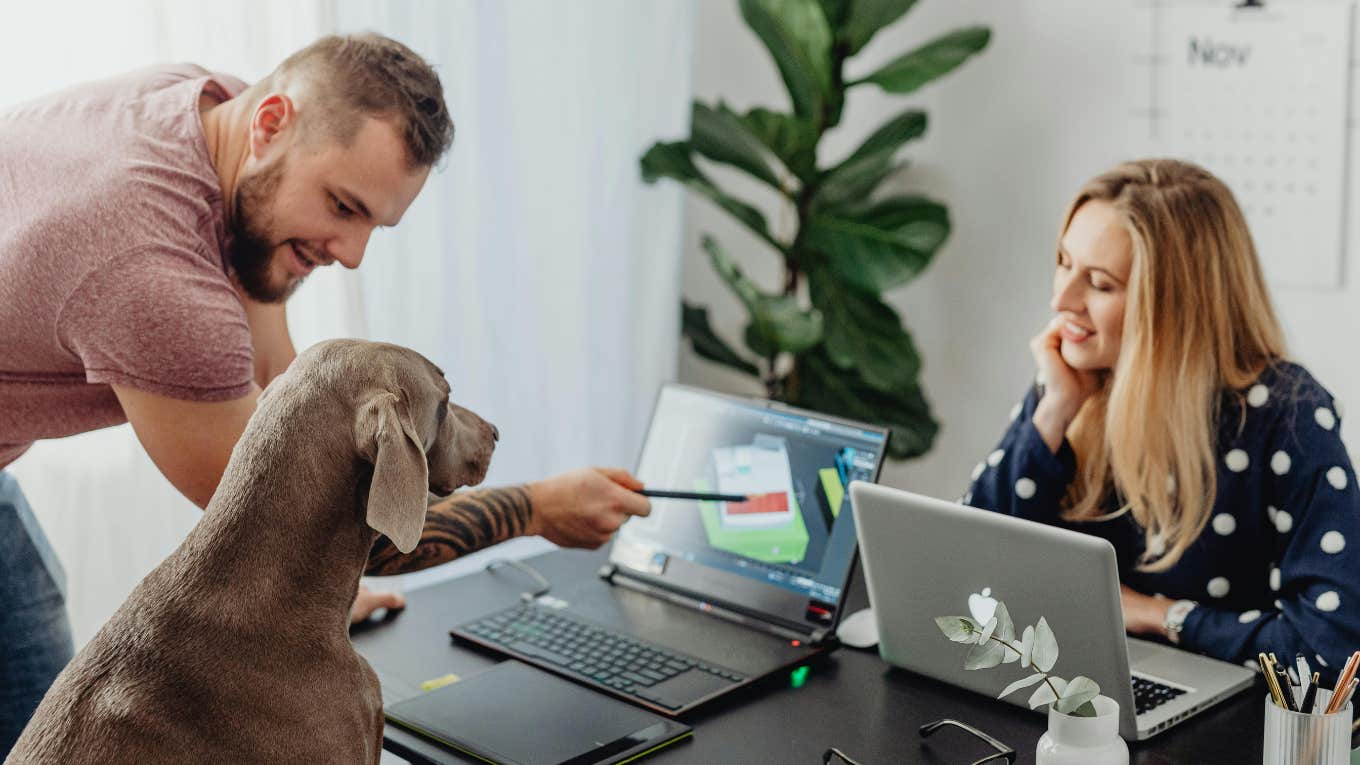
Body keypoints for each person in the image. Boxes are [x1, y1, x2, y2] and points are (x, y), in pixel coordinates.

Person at [0, 33, 650, 753]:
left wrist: (312, 595)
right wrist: (537, 508)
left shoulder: (209, 111)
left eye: (374, 221)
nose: (352, 252)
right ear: (271, 122)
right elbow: (290, 511)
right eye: (343, 205)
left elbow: (285, 393)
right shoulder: (154, 275)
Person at [964, 159, 1360, 683]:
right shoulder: (1070, 378)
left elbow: (1332, 654)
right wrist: (1055, 411)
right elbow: (972, 573)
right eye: (1064, 262)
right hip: (1066, 695)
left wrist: (1160, 615)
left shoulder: (1285, 414)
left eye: (1100, 284)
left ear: (1176, 307)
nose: (1061, 300)